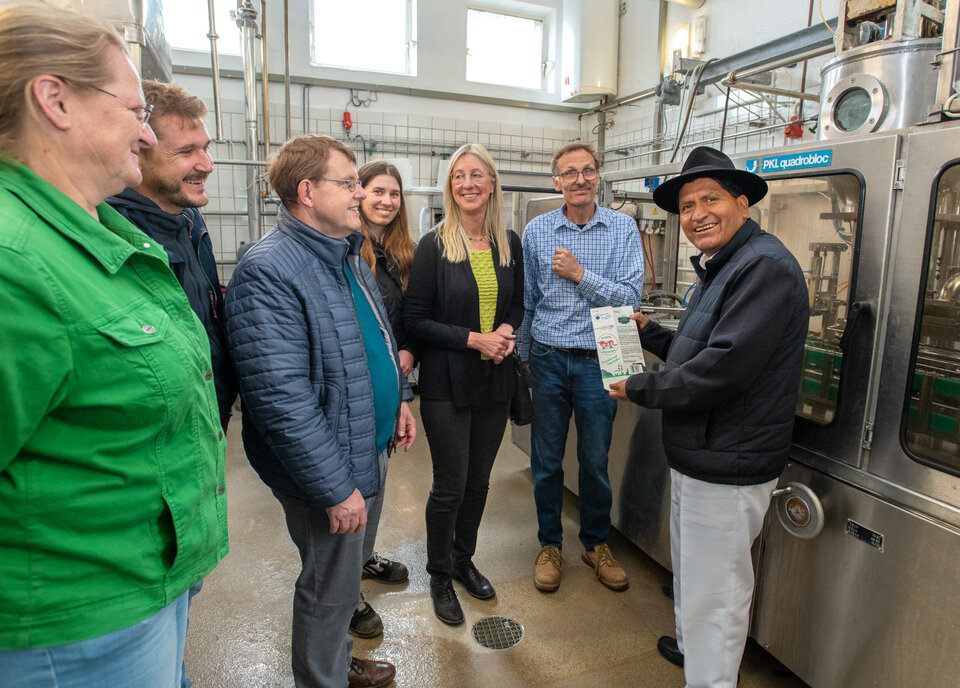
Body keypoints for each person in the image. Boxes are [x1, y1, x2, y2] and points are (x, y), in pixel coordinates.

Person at [0, 5, 228, 687]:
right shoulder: (15, 260)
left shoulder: (88, 233)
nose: (147, 130)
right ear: (55, 100)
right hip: (72, 630)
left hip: (137, 588)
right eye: (133, 108)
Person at [609, 146, 809, 688]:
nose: (697, 213)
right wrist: (650, 333)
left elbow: (723, 370)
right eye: (688, 204)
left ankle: (711, 675)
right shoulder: (722, 267)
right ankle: (696, 654)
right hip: (703, 451)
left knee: (715, 596)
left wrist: (639, 388)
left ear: (742, 203)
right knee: (698, 584)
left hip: (729, 457)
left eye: (710, 199)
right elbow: (699, 351)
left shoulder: (763, 267)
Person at [225, 134, 415, 688]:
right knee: (328, 589)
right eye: (349, 183)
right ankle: (321, 678)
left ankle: (335, 662)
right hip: (329, 468)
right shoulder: (270, 270)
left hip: (368, 444)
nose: (360, 193)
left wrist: (399, 401)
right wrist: (334, 487)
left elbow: (376, 339)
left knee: (346, 575)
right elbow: (281, 400)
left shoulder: (348, 252)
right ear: (307, 192)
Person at [515, 142, 643, 593]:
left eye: (587, 171)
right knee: (547, 461)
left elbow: (630, 299)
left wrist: (579, 275)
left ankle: (594, 543)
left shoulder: (624, 228)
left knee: (594, 461)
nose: (580, 179)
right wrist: (524, 358)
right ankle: (549, 544)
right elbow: (529, 302)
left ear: (599, 176)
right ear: (556, 182)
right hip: (549, 357)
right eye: (569, 173)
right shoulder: (537, 231)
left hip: (601, 359)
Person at [404, 143, 523, 625]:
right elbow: (415, 321)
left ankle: (462, 559)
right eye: (459, 176)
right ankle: (437, 573)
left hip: (494, 381)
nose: (468, 183)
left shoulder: (507, 241)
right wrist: (476, 338)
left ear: (492, 184)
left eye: (477, 175)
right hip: (446, 384)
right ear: (450, 187)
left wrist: (507, 332)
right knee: (450, 485)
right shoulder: (435, 245)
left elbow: (518, 304)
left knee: (478, 483)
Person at [109, 80, 237, 431]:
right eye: (186, 152)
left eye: (206, 148)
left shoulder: (189, 219)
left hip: (210, 412)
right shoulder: (113, 232)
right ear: (138, 149)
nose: (207, 164)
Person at [347, 160, 417, 639]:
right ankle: (346, 592)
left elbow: (407, 318)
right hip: (356, 388)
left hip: (390, 386)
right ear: (358, 193)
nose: (386, 201)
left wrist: (408, 353)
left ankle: (363, 560)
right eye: (377, 191)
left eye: (394, 193)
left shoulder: (402, 253)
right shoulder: (348, 250)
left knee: (378, 483)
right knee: (352, 491)